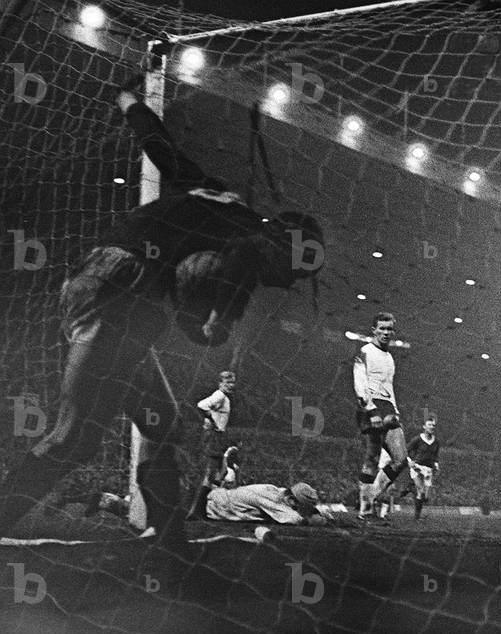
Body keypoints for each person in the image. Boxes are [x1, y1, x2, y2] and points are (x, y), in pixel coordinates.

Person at [0, 83, 323, 554]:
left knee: (164, 425)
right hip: (127, 291)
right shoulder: (257, 237)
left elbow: (160, 147)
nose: (283, 281)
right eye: (292, 271)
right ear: (289, 246)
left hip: (102, 285)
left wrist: (131, 105)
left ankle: (168, 537)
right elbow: (242, 260)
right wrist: (218, 322)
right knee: (74, 438)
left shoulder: (211, 191)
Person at [353, 312, 409, 520]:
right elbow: (360, 384)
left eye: (389, 329)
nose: (386, 332)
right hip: (371, 408)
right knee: (372, 459)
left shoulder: (389, 357)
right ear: (374, 330)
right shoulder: (365, 352)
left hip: (388, 409)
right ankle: (365, 510)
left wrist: (394, 410)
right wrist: (371, 410)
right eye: (382, 328)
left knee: (401, 459)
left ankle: (372, 497)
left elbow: (388, 387)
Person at [186, 370, 237, 518]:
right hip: (214, 436)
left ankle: (201, 508)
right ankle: (196, 510)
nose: (230, 385)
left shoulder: (225, 397)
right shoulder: (219, 395)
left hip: (218, 436)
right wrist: (212, 420)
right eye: (227, 382)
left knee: (217, 472)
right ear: (220, 383)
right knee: (210, 473)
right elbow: (202, 405)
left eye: (232, 382)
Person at [205, 481, 326, 525]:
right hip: (216, 506)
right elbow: (294, 519)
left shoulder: (280, 492)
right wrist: (313, 520)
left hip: (221, 495)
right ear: (292, 501)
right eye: (302, 507)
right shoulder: (274, 499)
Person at [406, 415, 441, 520]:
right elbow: (406, 450)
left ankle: (410, 488)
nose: (431, 427)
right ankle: (417, 517)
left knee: (425, 497)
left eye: (433, 425)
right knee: (420, 491)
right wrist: (410, 461)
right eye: (429, 425)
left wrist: (436, 464)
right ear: (424, 427)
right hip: (417, 467)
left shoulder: (436, 442)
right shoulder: (417, 439)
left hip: (428, 470)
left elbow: (435, 455)